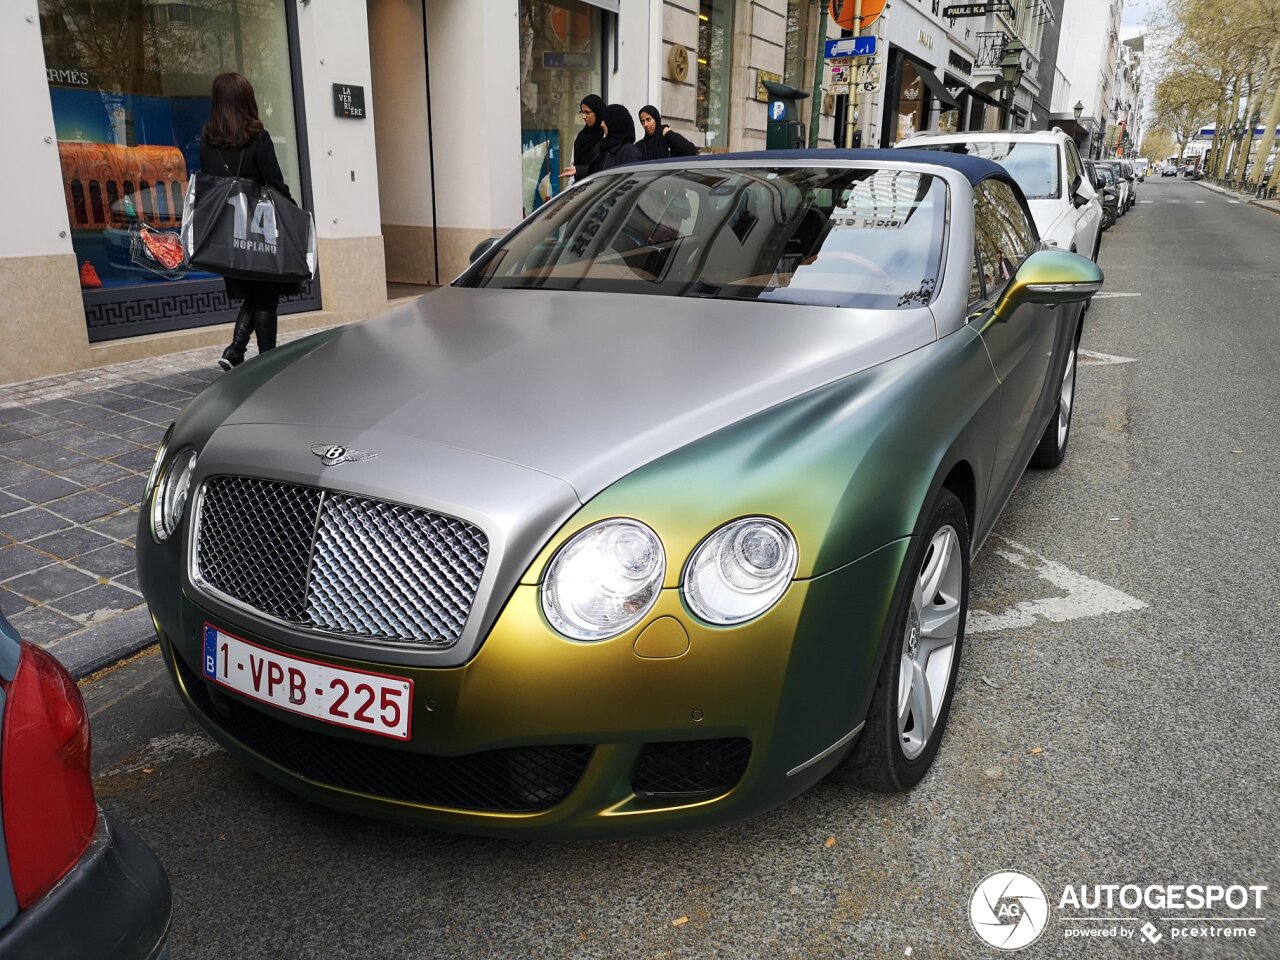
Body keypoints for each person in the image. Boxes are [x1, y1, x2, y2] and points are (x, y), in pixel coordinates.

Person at [199, 71, 300, 371]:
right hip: (259, 231)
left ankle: (235, 351)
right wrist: (294, 217)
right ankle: (267, 363)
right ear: (247, 101)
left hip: (229, 234)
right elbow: (275, 185)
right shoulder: (257, 139)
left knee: (254, 296)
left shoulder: (208, 142)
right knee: (266, 298)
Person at [588, 104, 643, 174]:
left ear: (614, 122)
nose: (601, 124)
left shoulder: (628, 152)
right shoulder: (605, 148)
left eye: (605, 121)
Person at [563, 94, 606, 182]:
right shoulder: (581, 137)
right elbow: (573, 167)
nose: (583, 116)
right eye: (582, 112)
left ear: (597, 113)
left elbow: (604, 168)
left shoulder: (605, 136)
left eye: (587, 112)